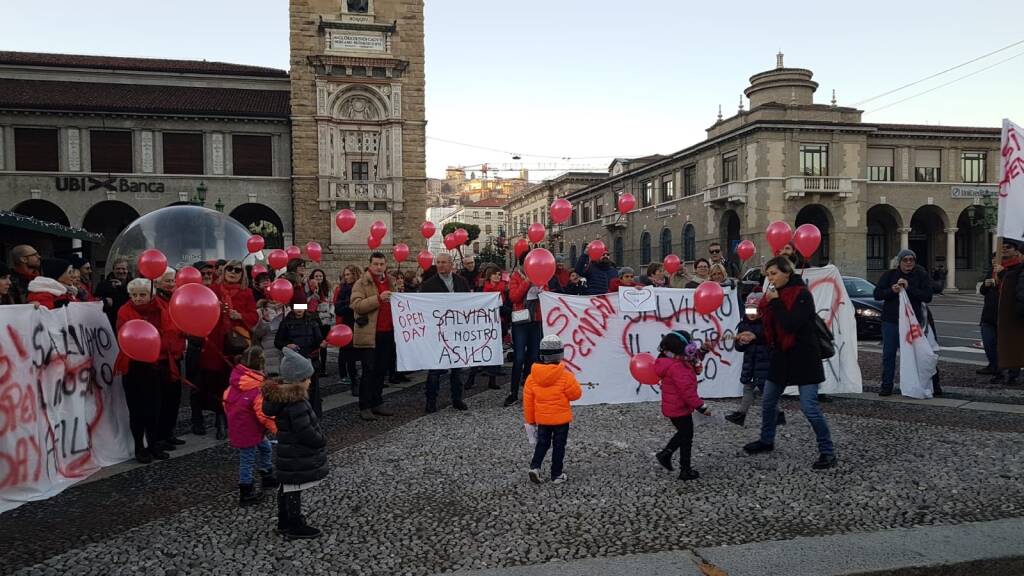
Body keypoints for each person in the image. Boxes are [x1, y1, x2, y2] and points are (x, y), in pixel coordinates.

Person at [739, 256, 836, 469]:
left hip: (804, 358)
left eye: (773, 274)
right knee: (768, 401)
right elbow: (774, 331)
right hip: (781, 357)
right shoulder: (773, 295)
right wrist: (755, 337)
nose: (770, 279)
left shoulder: (802, 295)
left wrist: (775, 302)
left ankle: (827, 451)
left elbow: (791, 325)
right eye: (767, 275)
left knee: (809, 407)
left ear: (787, 272)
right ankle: (767, 440)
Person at [113, 278, 183, 463]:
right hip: (134, 366)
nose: (137, 298)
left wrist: (154, 342)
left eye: (142, 294)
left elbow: (169, 335)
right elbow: (124, 337)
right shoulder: (124, 311)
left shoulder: (161, 309)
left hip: (156, 365)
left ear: (150, 295)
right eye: (134, 295)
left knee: (154, 408)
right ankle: (139, 447)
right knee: (136, 410)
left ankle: (153, 444)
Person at [261, 347, 328, 540]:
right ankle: (294, 523)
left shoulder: (284, 399)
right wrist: (320, 440)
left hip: (288, 453)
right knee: (293, 489)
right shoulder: (296, 403)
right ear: (299, 380)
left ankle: (284, 520)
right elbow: (305, 430)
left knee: (286, 487)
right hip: (296, 454)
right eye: (308, 378)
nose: (310, 382)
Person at [200, 259, 259, 439]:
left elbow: (254, 316)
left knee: (235, 383)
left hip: (237, 345)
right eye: (230, 269)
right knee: (217, 383)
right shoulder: (214, 291)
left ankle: (233, 418)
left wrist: (239, 315)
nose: (233, 272)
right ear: (223, 272)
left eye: (238, 270)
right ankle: (219, 420)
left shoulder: (246, 292)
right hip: (216, 343)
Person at [873, 249, 934, 396]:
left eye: (911, 260)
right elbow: (877, 294)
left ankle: (919, 384)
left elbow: (927, 296)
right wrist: (891, 290)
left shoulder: (921, 275)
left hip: (912, 323)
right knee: (889, 354)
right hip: (891, 321)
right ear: (899, 262)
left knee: (916, 353)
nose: (908, 262)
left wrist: (909, 288)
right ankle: (886, 385)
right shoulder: (889, 275)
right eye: (905, 260)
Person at [224, 346, 279, 506]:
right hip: (249, 428)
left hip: (242, 424)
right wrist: (277, 429)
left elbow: (226, 399)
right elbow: (264, 413)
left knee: (265, 447)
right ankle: (246, 491)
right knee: (247, 459)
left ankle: (267, 474)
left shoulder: (237, 379)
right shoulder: (256, 387)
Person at [524, 335, 582, 484]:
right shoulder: (566, 376)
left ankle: (535, 467)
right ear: (560, 355)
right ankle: (556, 474)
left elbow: (528, 402)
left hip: (542, 420)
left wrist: (530, 421)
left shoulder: (531, 377)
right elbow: (576, 395)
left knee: (542, 443)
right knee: (559, 445)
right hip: (561, 420)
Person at [653, 330, 710, 481]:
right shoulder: (678, 367)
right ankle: (681, 466)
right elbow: (687, 392)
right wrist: (701, 407)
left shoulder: (672, 361)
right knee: (686, 435)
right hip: (679, 408)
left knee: (685, 434)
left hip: (674, 407)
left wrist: (703, 351)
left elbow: (693, 358)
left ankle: (668, 456)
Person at [420, 252, 471, 412]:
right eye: (438, 262)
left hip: (456, 331)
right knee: (435, 369)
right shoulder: (428, 285)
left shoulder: (461, 282)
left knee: (457, 368)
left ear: (451, 264)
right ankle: (431, 401)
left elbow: (469, 303)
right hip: (437, 332)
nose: (441, 265)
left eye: (444, 262)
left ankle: (457, 399)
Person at [349, 252, 396, 421]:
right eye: (375, 264)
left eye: (381, 264)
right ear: (370, 264)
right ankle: (365, 405)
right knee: (369, 371)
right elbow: (356, 305)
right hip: (370, 334)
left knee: (381, 370)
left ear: (385, 265)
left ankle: (377, 402)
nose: (378, 267)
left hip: (387, 333)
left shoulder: (391, 282)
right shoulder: (361, 283)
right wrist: (378, 299)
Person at [726, 293, 785, 427]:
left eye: (756, 310)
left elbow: (770, 341)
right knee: (747, 389)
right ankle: (741, 415)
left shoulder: (768, 325)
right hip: (750, 365)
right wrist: (741, 342)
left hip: (764, 365)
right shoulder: (742, 325)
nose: (752, 314)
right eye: (749, 310)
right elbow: (739, 348)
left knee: (767, 392)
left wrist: (755, 337)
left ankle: (778, 415)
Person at [275, 296, 327, 418]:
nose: (299, 309)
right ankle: (298, 416)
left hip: (310, 360)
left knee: (313, 389)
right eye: (296, 307)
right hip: (295, 362)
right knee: (296, 390)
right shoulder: (286, 323)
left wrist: (322, 343)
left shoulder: (311, 321)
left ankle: (314, 415)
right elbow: (278, 341)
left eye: (301, 306)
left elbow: (318, 339)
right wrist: (287, 344)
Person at [508, 251, 544, 407]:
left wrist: (543, 290)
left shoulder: (542, 276)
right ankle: (513, 393)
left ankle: (531, 392)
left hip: (536, 321)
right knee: (519, 357)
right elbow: (514, 297)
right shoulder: (516, 277)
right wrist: (527, 282)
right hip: (521, 322)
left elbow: (549, 294)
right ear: (523, 264)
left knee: (534, 358)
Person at [995, 239, 1023, 385]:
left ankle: (1013, 373)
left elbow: (1018, 290)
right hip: (996, 310)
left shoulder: (1018, 268)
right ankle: (1000, 370)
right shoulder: (996, 265)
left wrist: (1003, 273)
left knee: (1013, 344)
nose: (1005, 249)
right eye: (1003, 247)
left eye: (1008, 247)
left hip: (1013, 312)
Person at [333, 265, 361, 392]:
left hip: (361, 325)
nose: (346, 277)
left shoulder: (361, 288)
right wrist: (351, 304)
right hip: (348, 325)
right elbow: (338, 309)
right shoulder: (342, 290)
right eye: (345, 275)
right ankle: (352, 380)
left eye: (348, 274)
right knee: (348, 355)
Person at [306, 268, 333, 377]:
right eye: (316, 276)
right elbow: (302, 305)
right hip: (313, 319)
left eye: (320, 276)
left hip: (325, 320)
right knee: (315, 344)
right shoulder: (308, 289)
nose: (319, 278)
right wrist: (312, 297)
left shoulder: (328, 288)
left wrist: (331, 313)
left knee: (324, 345)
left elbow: (331, 303)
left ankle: (323, 368)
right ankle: (315, 367)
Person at [978, 253, 999, 377]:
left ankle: (1002, 368)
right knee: (988, 342)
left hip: (1001, 314)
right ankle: (992, 365)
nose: (994, 261)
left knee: (1000, 344)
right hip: (988, 313)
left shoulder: (1007, 272)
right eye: (992, 258)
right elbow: (982, 291)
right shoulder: (991, 271)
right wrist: (985, 285)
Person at [95, 258, 130, 327]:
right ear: (113, 270)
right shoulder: (103, 285)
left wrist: (122, 287)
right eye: (118, 269)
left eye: (123, 269)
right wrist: (105, 300)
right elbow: (96, 301)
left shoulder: (133, 284)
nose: (121, 271)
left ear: (127, 270)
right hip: (109, 323)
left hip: (128, 321)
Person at [255, 299, 286, 376]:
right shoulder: (261, 311)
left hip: (284, 348)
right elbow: (256, 333)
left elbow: (305, 307)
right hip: (269, 349)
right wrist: (265, 321)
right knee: (272, 377)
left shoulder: (286, 308)